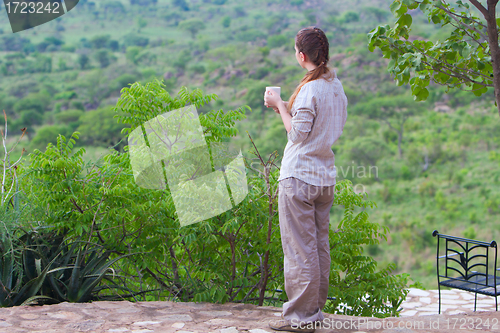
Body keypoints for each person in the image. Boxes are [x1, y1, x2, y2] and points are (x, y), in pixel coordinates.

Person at [263, 26, 348, 333]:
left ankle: (302, 317)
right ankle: (313, 309)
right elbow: (316, 126)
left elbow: (297, 134)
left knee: (300, 249)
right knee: (318, 246)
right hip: (324, 176)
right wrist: (286, 109)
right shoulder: (334, 85)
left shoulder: (310, 89)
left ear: (301, 55)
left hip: (299, 176)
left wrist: (278, 105)